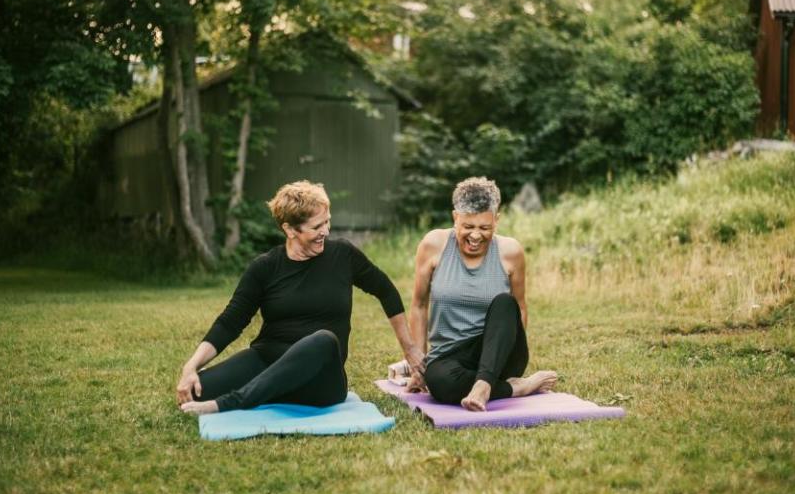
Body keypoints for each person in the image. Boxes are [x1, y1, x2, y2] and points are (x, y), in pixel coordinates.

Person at [176, 180, 424, 415]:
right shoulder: (265, 268)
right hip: (268, 359)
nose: (325, 231)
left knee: (324, 340)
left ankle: (234, 401)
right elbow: (230, 322)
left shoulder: (343, 255)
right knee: (196, 391)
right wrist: (192, 366)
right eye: (317, 227)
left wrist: (410, 349)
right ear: (289, 229)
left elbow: (386, 291)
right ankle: (270, 389)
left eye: (327, 222)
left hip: (321, 377)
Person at [407, 177, 559, 411]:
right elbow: (418, 305)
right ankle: (516, 388)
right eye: (468, 226)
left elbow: (519, 311)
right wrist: (418, 366)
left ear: (496, 221)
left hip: (497, 354)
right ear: (455, 217)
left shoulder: (511, 252)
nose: (476, 236)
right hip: (450, 356)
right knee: (439, 383)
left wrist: (502, 357)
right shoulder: (433, 244)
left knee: (505, 303)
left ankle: (485, 384)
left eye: (484, 228)